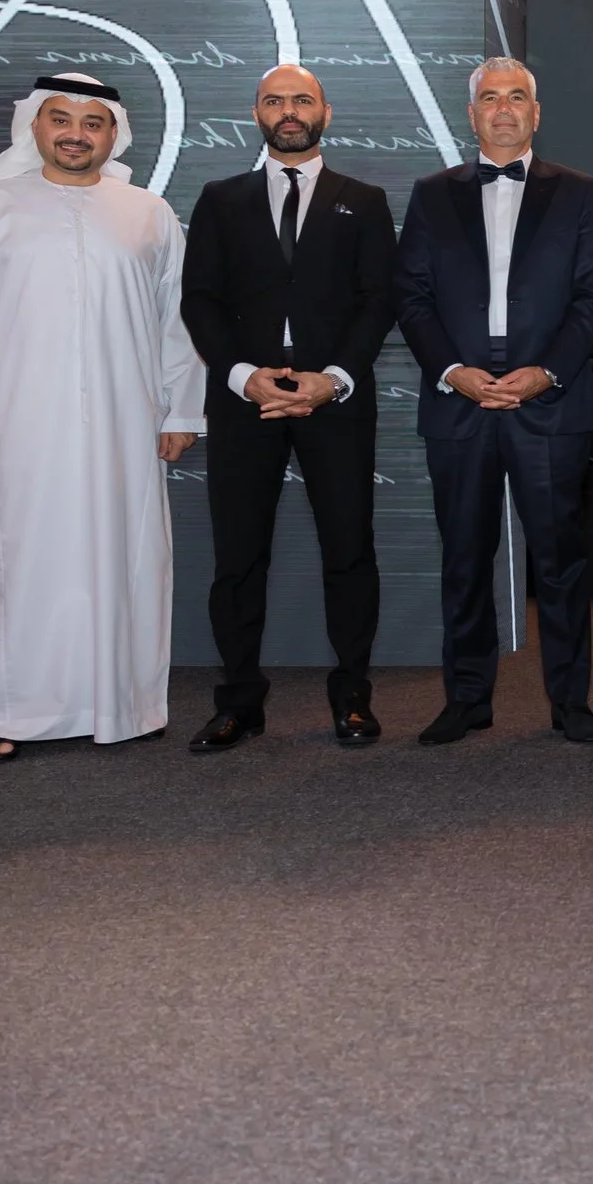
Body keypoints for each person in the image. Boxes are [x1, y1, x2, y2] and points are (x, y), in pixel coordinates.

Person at [0, 73, 205, 761]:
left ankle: (125, 703)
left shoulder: (148, 212)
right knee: (11, 563)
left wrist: (184, 408)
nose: (76, 133)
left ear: (114, 134)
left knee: (124, 558)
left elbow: (179, 321)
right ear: (36, 126)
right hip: (17, 422)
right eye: (60, 119)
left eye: (92, 122)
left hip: (126, 420)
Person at [394, 58, 593, 745]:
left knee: (560, 560)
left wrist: (547, 371)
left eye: (517, 97)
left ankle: (570, 699)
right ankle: (466, 698)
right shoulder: (431, 195)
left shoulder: (579, 193)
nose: (504, 108)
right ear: (473, 114)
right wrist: (452, 369)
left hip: (548, 399)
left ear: (536, 113)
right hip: (459, 399)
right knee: (464, 556)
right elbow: (412, 297)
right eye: (490, 98)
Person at [178, 65, 397, 752]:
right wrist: (244, 377)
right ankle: (239, 700)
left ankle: (353, 695)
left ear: (325, 110)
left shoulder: (364, 200)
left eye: (301, 99)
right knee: (238, 558)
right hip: (248, 404)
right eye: (275, 101)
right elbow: (200, 300)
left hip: (335, 401)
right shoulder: (220, 199)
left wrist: (334, 376)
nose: (289, 111)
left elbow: (378, 300)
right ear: (256, 114)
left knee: (350, 552)